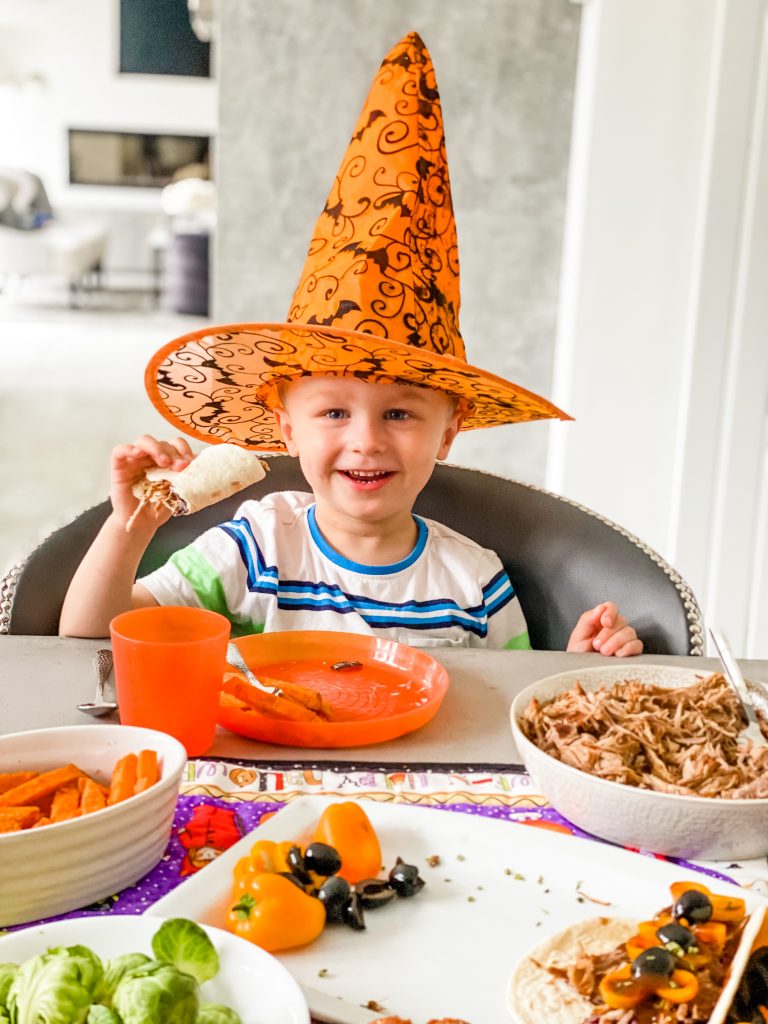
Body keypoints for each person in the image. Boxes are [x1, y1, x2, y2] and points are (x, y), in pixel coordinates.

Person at [59, 32, 642, 657]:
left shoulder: (474, 583)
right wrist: (131, 525)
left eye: (399, 412)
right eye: (334, 412)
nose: (365, 439)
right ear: (286, 429)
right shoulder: (257, 548)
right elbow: (91, 635)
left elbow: (504, 721)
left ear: (448, 431)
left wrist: (570, 673)